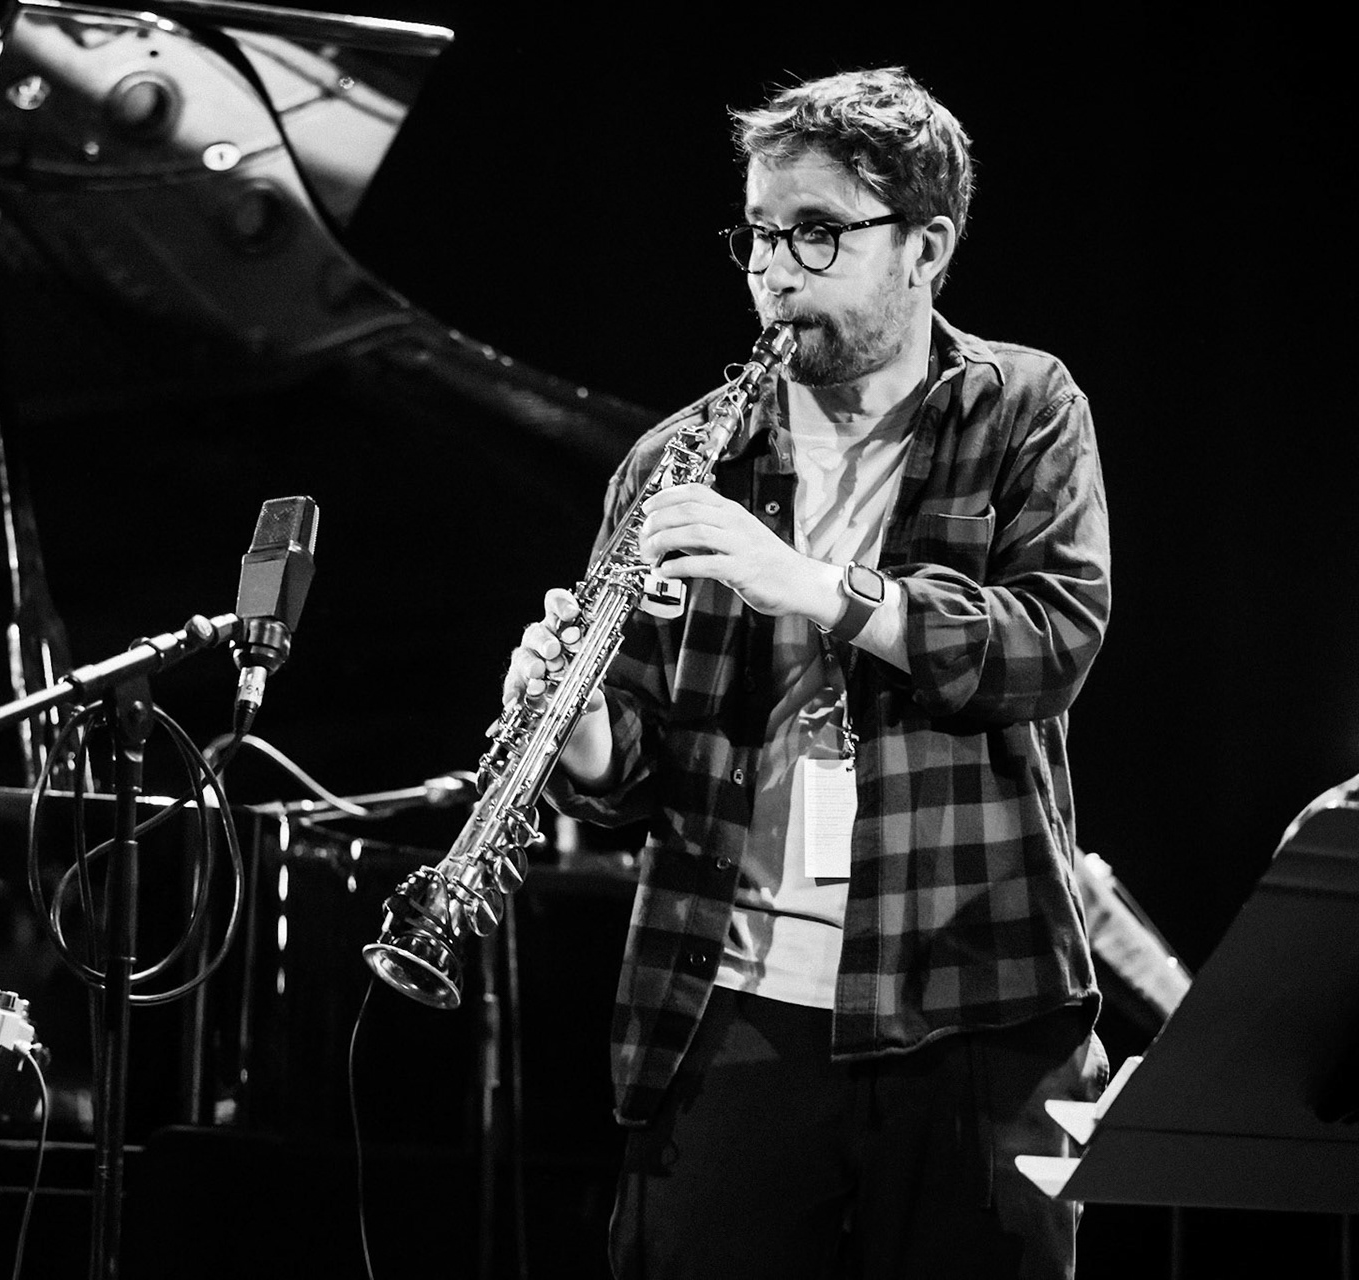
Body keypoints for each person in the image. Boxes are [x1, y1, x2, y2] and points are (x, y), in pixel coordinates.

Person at [504, 67, 1111, 1278]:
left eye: (818, 232)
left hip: (973, 997)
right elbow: (638, 770)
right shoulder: (679, 459)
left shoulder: (1023, 407)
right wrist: (582, 735)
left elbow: (1049, 641)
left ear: (925, 246)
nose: (776, 272)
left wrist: (815, 584)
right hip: (729, 1007)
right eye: (760, 235)